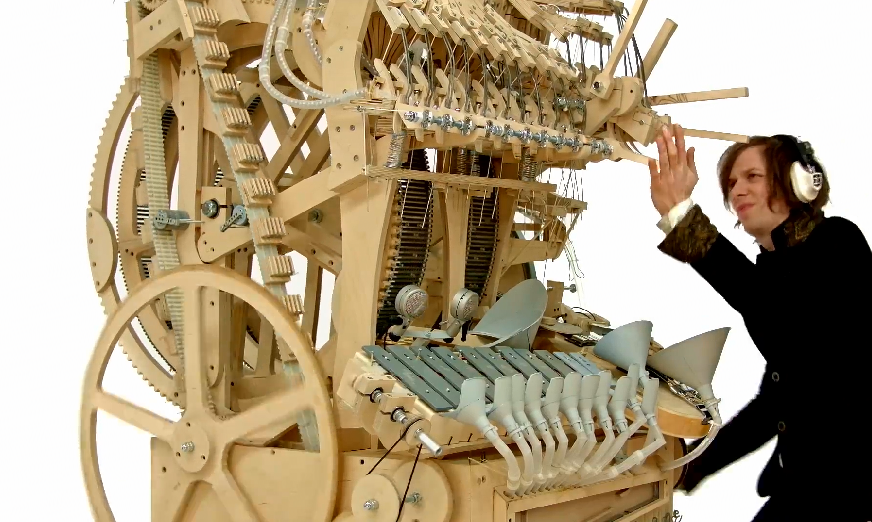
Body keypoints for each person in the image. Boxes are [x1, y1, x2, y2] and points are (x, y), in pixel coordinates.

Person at [647, 125, 872, 521]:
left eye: (753, 176)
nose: (737, 191)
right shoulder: (770, 274)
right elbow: (774, 404)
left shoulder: (839, 242)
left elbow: (784, 321)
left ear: (800, 183)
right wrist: (692, 467)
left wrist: (683, 217)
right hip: (805, 489)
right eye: (732, 183)